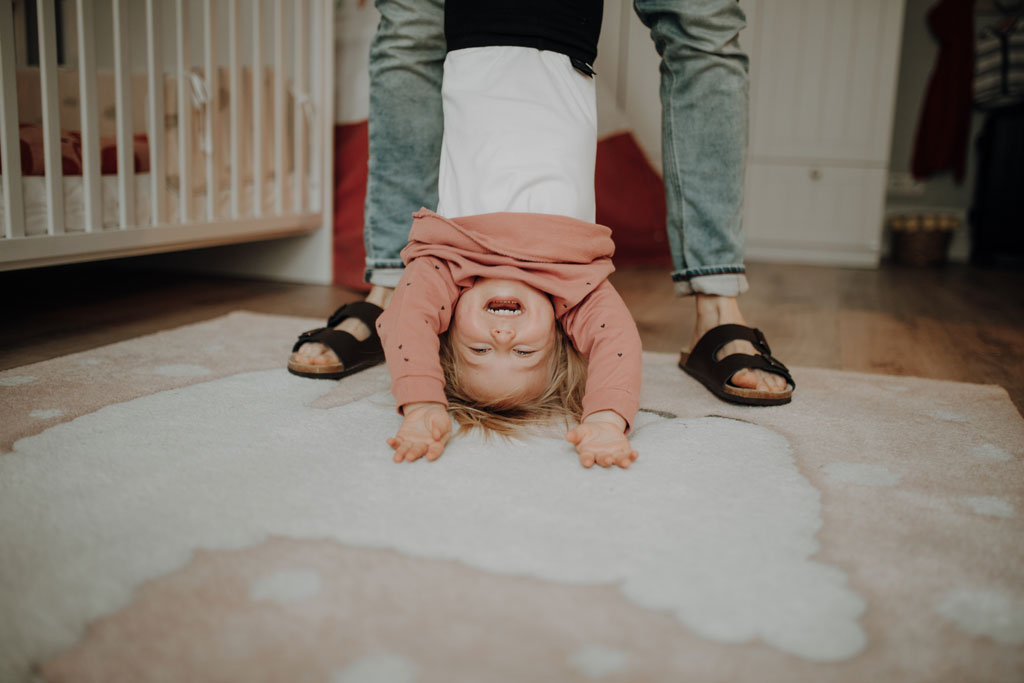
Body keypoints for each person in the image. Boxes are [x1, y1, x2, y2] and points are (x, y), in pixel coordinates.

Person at [288, 0, 793, 409]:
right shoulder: (574, 287)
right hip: (565, 30)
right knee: (700, 18)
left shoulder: (442, 267)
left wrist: (422, 406)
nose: (503, 333)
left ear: (443, 326)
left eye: (480, 348)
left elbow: (408, 323)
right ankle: (717, 309)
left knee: (410, 22)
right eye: (524, 350)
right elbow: (617, 346)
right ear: (559, 334)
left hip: (475, 25)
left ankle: (384, 290)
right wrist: (605, 420)